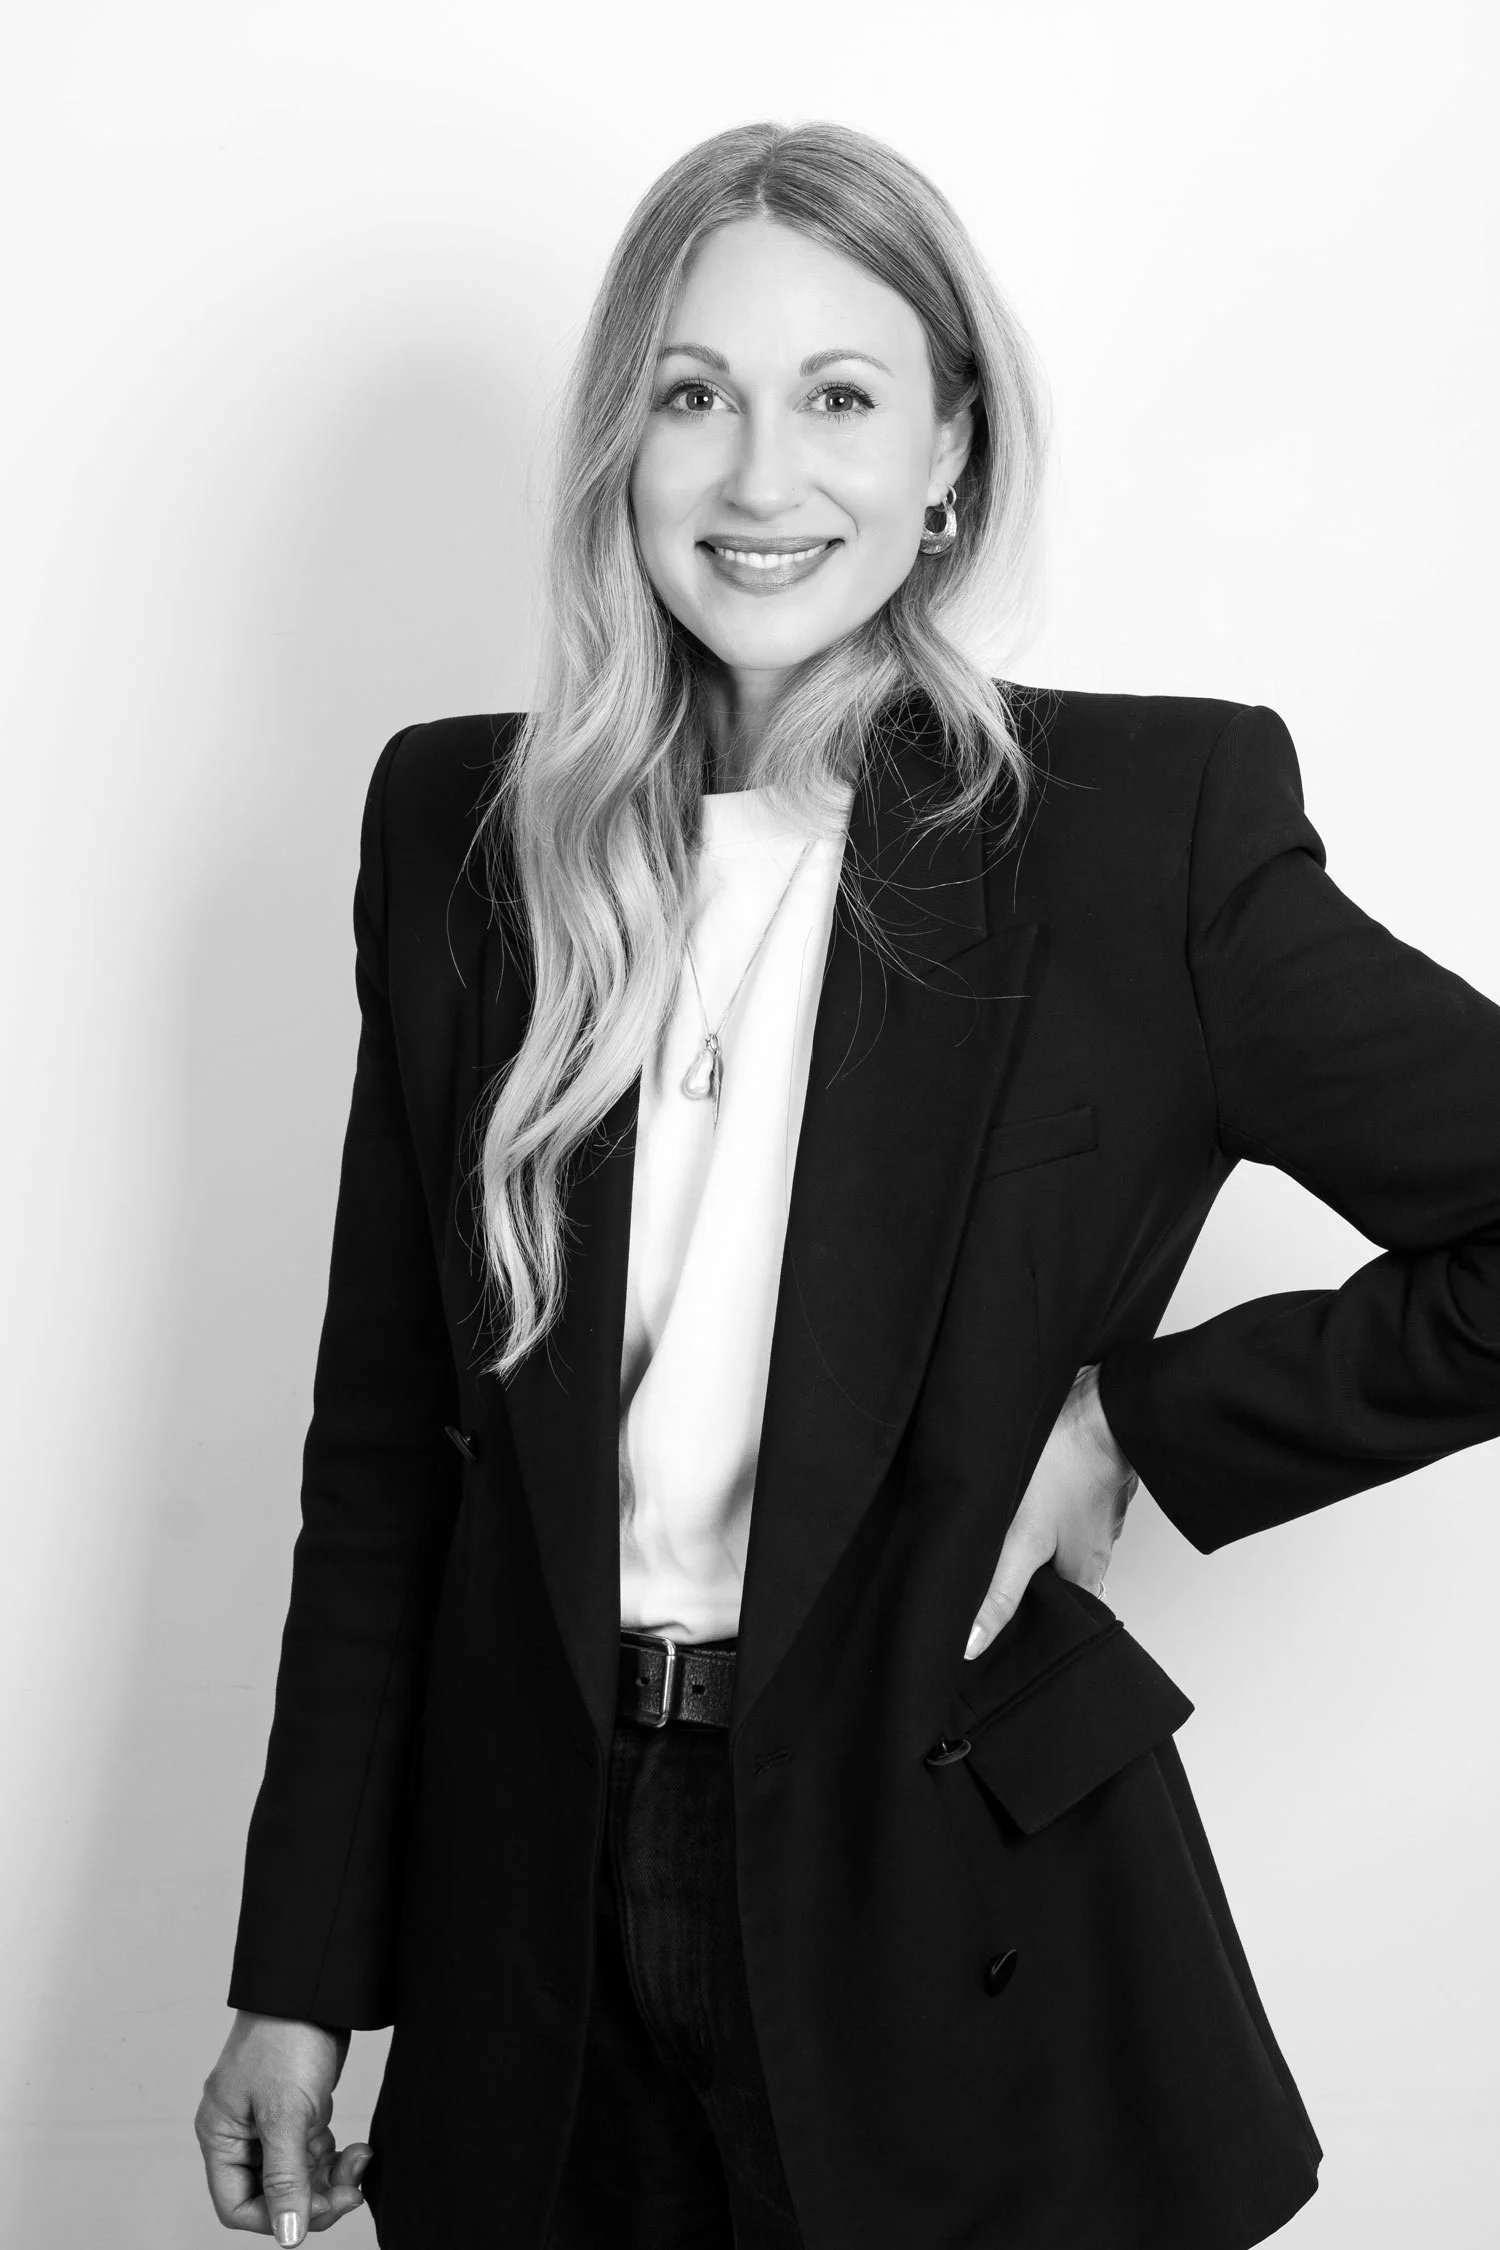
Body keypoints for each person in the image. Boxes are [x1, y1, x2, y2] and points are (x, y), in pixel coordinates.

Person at [194, 119, 1500, 2250]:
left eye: (838, 397)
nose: (759, 475)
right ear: (621, 442)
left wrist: (1134, 1426)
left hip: (956, 1899)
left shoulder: (1135, 831)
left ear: (947, 451)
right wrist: (301, 1976)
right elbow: (385, 1453)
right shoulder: (463, 832)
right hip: (531, 1927)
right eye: (694, 393)